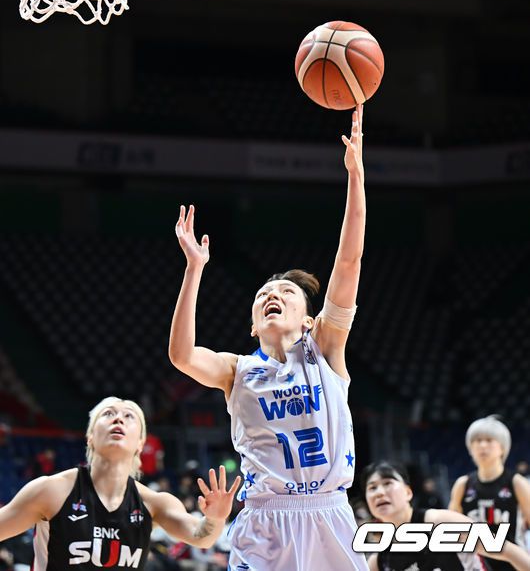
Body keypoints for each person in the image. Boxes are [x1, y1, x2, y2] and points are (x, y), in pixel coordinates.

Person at [169, 106, 369, 570]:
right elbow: (181, 355)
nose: (272, 295)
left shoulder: (325, 348)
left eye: (285, 292)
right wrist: (194, 269)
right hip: (265, 520)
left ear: (309, 319)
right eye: (263, 294)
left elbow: (348, 262)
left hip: (330, 514)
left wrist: (356, 176)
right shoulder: (237, 370)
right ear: (253, 324)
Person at [0, 397, 240, 570]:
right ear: (90, 437)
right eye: (108, 414)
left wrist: (215, 518)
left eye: (129, 416)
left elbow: (201, 536)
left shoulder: (154, 503)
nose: (118, 418)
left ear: (140, 443)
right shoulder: (51, 491)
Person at [361, 461, 530, 571]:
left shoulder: (441, 522)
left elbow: (511, 552)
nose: (379, 493)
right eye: (372, 488)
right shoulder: (378, 562)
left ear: (408, 492)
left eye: (388, 483)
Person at [448, 415, 530, 571]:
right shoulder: (462, 485)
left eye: (489, 440)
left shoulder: (517, 483)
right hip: (476, 566)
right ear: (470, 448)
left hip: (514, 565)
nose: (482, 445)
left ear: (502, 447)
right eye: (477, 440)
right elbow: (450, 531)